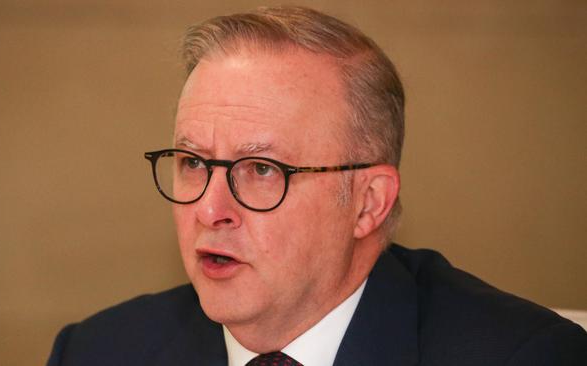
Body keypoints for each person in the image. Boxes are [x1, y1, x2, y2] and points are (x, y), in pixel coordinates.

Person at [47, 6, 586, 366]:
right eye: (192, 161)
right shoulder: (98, 351)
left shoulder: (524, 356)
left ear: (369, 203)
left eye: (261, 170)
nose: (210, 210)